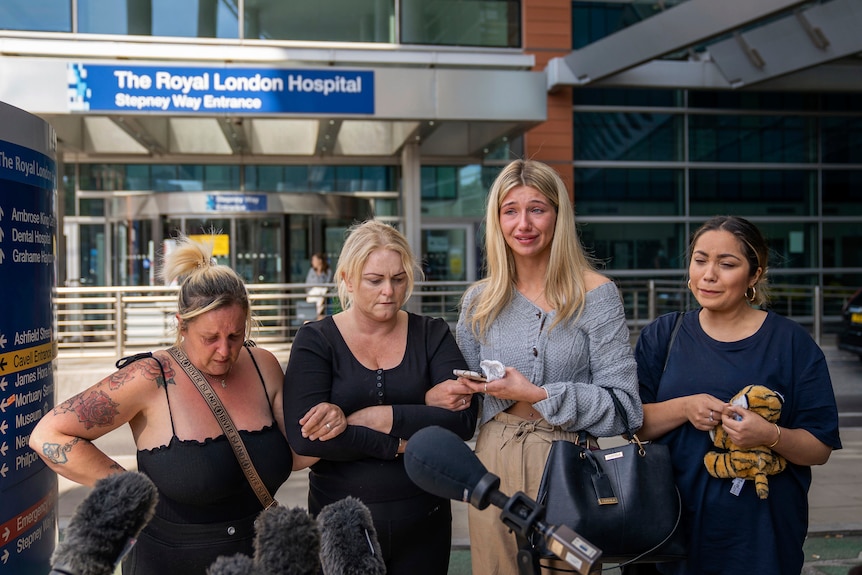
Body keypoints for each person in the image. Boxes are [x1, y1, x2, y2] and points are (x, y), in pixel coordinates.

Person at [30, 234, 322, 575]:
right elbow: (49, 434)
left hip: (257, 562)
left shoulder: (263, 365)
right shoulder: (149, 377)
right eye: (210, 338)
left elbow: (299, 455)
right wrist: (129, 491)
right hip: (168, 563)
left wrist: (338, 418)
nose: (225, 351)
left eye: (235, 336)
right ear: (181, 325)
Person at [455, 159, 642, 575]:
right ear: (497, 220)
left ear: (558, 215)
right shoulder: (479, 301)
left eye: (537, 208)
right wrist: (451, 395)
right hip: (493, 461)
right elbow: (467, 406)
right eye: (510, 210)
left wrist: (539, 396)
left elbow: (626, 406)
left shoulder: (596, 294)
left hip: (569, 460)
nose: (524, 223)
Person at [635, 216, 842, 575]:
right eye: (700, 260)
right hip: (671, 533)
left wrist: (769, 435)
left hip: (761, 538)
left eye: (726, 264)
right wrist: (684, 407)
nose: (709, 274)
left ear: (754, 274)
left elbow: (819, 447)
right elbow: (633, 424)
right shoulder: (663, 335)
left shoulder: (791, 343)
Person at [283, 219, 479, 575]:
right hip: (340, 523)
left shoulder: (431, 333)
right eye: (375, 280)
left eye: (398, 278)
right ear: (347, 279)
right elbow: (305, 438)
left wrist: (374, 417)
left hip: (425, 518)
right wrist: (404, 439)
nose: (389, 291)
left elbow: (462, 422)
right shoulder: (316, 341)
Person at [306, 251, 333, 320]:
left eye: (314, 260)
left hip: (324, 297)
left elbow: (328, 285)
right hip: (313, 296)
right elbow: (308, 284)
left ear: (320, 261)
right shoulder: (311, 271)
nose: (312, 262)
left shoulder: (328, 271)